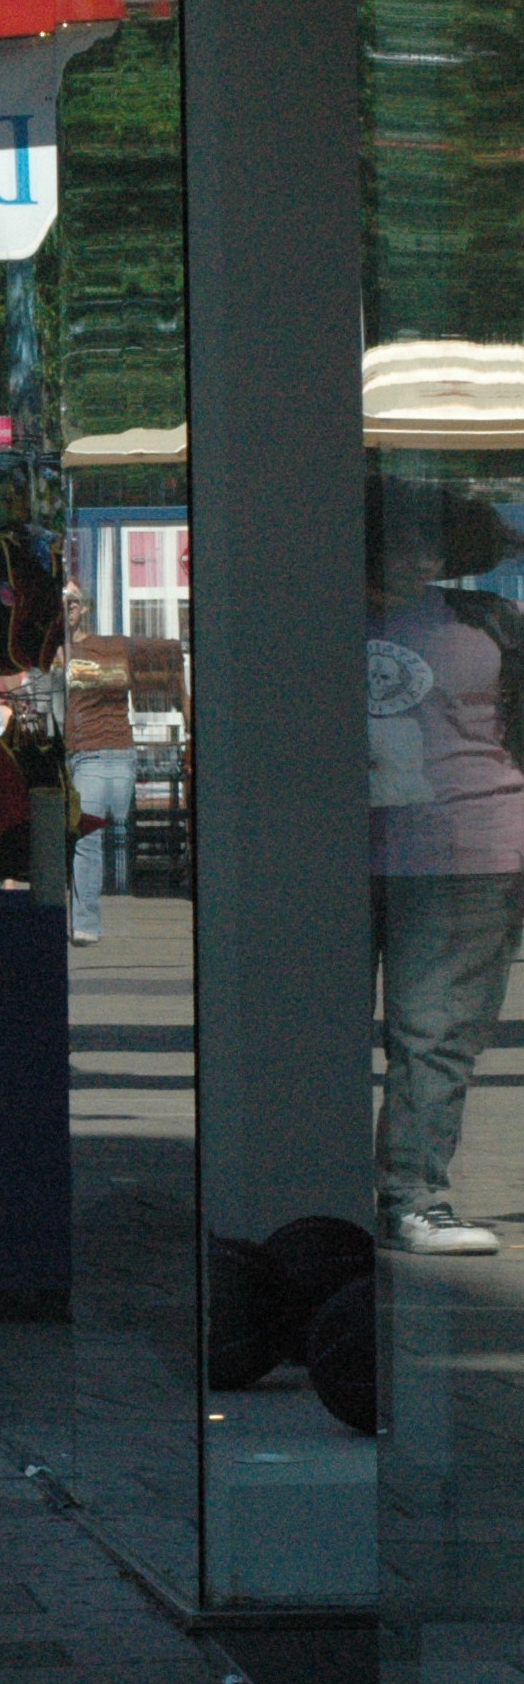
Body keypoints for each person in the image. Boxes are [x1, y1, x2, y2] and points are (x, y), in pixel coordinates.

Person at [370, 482, 520, 1255]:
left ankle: (414, 1198)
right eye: (402, 541)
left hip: (468, 848)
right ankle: (314, 1197)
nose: (421, 558)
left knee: (434, 1035)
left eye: (435, 543)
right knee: (306, 1034)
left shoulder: (490, 619)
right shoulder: (307, 615)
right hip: (330, 853)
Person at [58, 582, 186, 946]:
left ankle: (98, 916)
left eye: (73, 601)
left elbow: (169, 653)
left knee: (105, 833)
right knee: (91, 838)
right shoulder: (56, 651)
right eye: (61, 601)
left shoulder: (114, 646)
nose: (67, 606)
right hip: (87, 754)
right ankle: (87, 922)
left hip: (117, 753)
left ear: (85, 608)